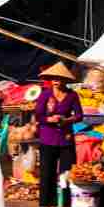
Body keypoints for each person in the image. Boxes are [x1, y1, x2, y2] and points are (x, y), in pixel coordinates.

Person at [33, 63, 84, 194]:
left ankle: (65, 203)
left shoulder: (72, 95)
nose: (56, 80)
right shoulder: (45, 95)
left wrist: (66, 120)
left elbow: (79, 116)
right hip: (47, 138)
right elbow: (38, 116)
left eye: (59, 78)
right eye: (54, 77)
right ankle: (47, 203)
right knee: (47, 172)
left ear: (65, 80)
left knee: (66, 172)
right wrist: (49, 119)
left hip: (66, 139)